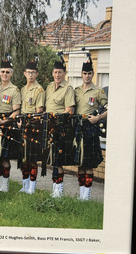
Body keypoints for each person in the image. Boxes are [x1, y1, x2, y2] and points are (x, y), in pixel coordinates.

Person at [74, 61, 107, 201]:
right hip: (78, 128)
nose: (87, 76)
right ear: (81, 74)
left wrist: (98, 117)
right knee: (80, 163)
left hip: (91, 129)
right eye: (85, 74)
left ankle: (86, 197)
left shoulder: (98, 91)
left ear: (93, 74)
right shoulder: (76, 91)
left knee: (89, 165)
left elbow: (109, 108)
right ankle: (81, 195)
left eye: (89, 74)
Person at [45, 60, 75, 198]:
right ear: (52, 73)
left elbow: (70, 110)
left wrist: (56, 116)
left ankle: (59, 190)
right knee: (52, 159)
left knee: (58, 160)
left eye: (60, 72)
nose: (57, 75)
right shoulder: (49, 87)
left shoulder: (68, 88)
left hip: (61, 127)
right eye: (55, 72)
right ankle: (54, 188)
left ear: (64, 73)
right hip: (49, 127)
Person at [0, 60, 21, 192]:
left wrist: (3, 122)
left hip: (7, 123)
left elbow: (17, 111)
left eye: (7, 72)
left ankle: (6, 185)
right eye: (2, 71)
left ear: (11, 74)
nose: (4, 74)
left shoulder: (14, 90)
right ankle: (0, 183)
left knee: (5, 156)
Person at [19, 60, 45, 194]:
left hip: (34, 127)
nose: (30, 75)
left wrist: (28, 122)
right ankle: (25, 185)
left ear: (37, 74)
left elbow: (39, 111)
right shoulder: (23, 89)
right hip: (23, 126)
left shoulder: (39, 90)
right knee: (24, 158)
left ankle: (32, 187)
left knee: (33, 159)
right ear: (24, 73)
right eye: (28, 72)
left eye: (33, 73)